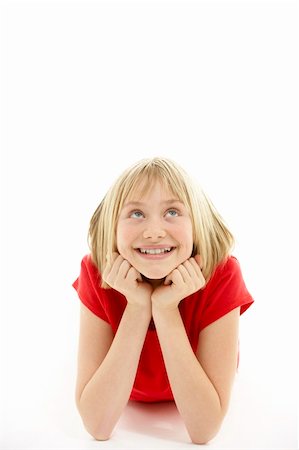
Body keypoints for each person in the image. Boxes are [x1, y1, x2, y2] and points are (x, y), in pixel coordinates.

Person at [72, 156, 254, 444]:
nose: (155, 231)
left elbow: (204, 430)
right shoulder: (96, 272)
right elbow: (98, 426)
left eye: (172, 212)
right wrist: (138, 306)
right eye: (135, 214)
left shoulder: (223, 273)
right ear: (113, 228)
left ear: (197, 223)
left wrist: (166, 310)